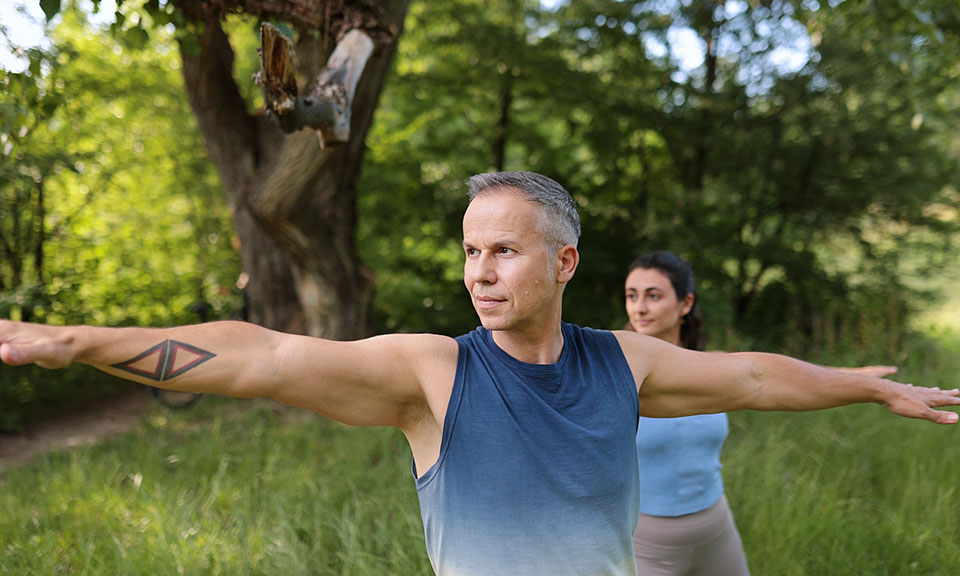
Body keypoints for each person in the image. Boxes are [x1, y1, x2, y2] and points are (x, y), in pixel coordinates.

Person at [1, 171, 957, 576]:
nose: (480, 273)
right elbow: (269, 355)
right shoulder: (434, 374)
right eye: (471, 252)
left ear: (564, 262)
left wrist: (869, 387)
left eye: (504, 251)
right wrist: (80, 341)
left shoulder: (620, 361)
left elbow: (752, 380)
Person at [623, 251, 897, 576]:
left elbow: (784, 376)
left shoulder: (713, 366)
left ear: (685, 304)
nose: (639, 307)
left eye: (653, 296)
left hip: (716, 530)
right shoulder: (616, 373)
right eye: (632, 296)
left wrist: (856, 377)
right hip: (646, 543)